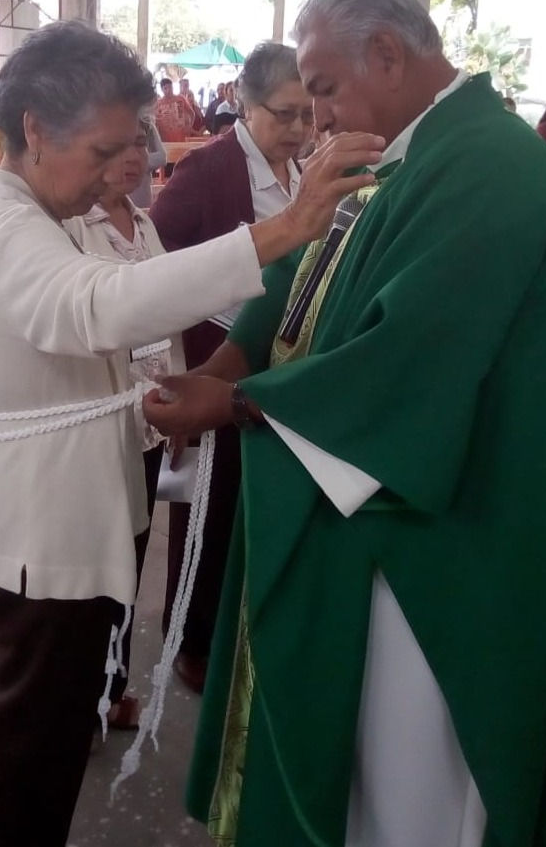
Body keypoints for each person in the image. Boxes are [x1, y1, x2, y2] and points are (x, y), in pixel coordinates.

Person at [143, 0, 546, 847]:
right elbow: (304, 276)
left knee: (418, 782)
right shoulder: (397, 148)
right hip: (390, 495)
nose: (317, 115)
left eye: (324, 90)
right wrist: (226, 360)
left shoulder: (491, 166)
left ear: (387, 53)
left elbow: (411, 361)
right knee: (370, 765)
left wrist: (240, 402)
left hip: (460, 527)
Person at [0, 19, 382, 847]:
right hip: (38, 529)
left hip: (67, 510)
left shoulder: (50, 209)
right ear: (34, 129)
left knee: (59, 728)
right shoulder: (1, 222)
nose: (116, 173)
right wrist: (280, 232)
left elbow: (112, 302)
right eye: (102, 151)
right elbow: (96, 307)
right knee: (31, 743)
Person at [149, 41, 314, 694]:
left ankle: (231, 625)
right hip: (215, 357)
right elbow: (152, 261)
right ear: (245, 105)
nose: (300, 129)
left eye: (308, 114)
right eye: (285, 115)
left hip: (273, 363)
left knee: (248, 503)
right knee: (207, 510)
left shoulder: (301, 171)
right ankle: (189, 639)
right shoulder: (211, 171)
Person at [66, 136, 185, 731]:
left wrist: (179, 394)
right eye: (117, 144)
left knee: (129, 560)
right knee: (90, 562)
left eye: (143, 141)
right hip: (97, 422)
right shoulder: (71, 227)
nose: (137, 156)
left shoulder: (144, 223)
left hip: (148, 420)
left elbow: (166, 315)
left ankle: (111, 688)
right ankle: (78, 698)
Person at [129, 118, 166, 208]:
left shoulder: (146, 122)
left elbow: (162, 157)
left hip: (141, 196)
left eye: (141, 143)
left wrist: (137, 161)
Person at [154, 76, 194, 143]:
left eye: (170, 87)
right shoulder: (158, 103)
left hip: (181, 137)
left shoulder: (181, 99)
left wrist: (189, 126)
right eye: (165, 88)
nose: (168, 90)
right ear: (162, 89)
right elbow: (155, 120)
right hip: (165, 138)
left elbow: (192, 113)